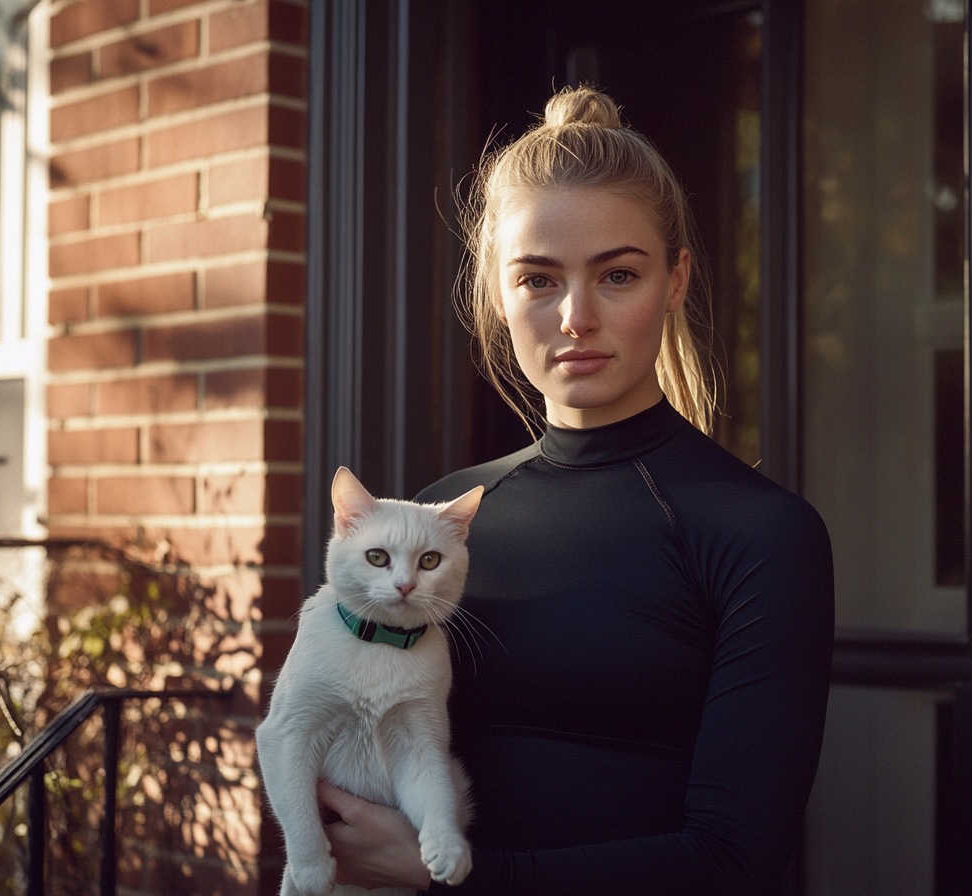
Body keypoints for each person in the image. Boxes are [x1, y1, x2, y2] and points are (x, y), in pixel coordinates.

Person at [315, 85, 834, 895]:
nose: (575, 317)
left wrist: (447, 878)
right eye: (538, 280)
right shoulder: (438, 524)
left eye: (618, 275)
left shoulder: (761, 534)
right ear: (498, 291)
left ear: (676, 280)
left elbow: (734, 863)